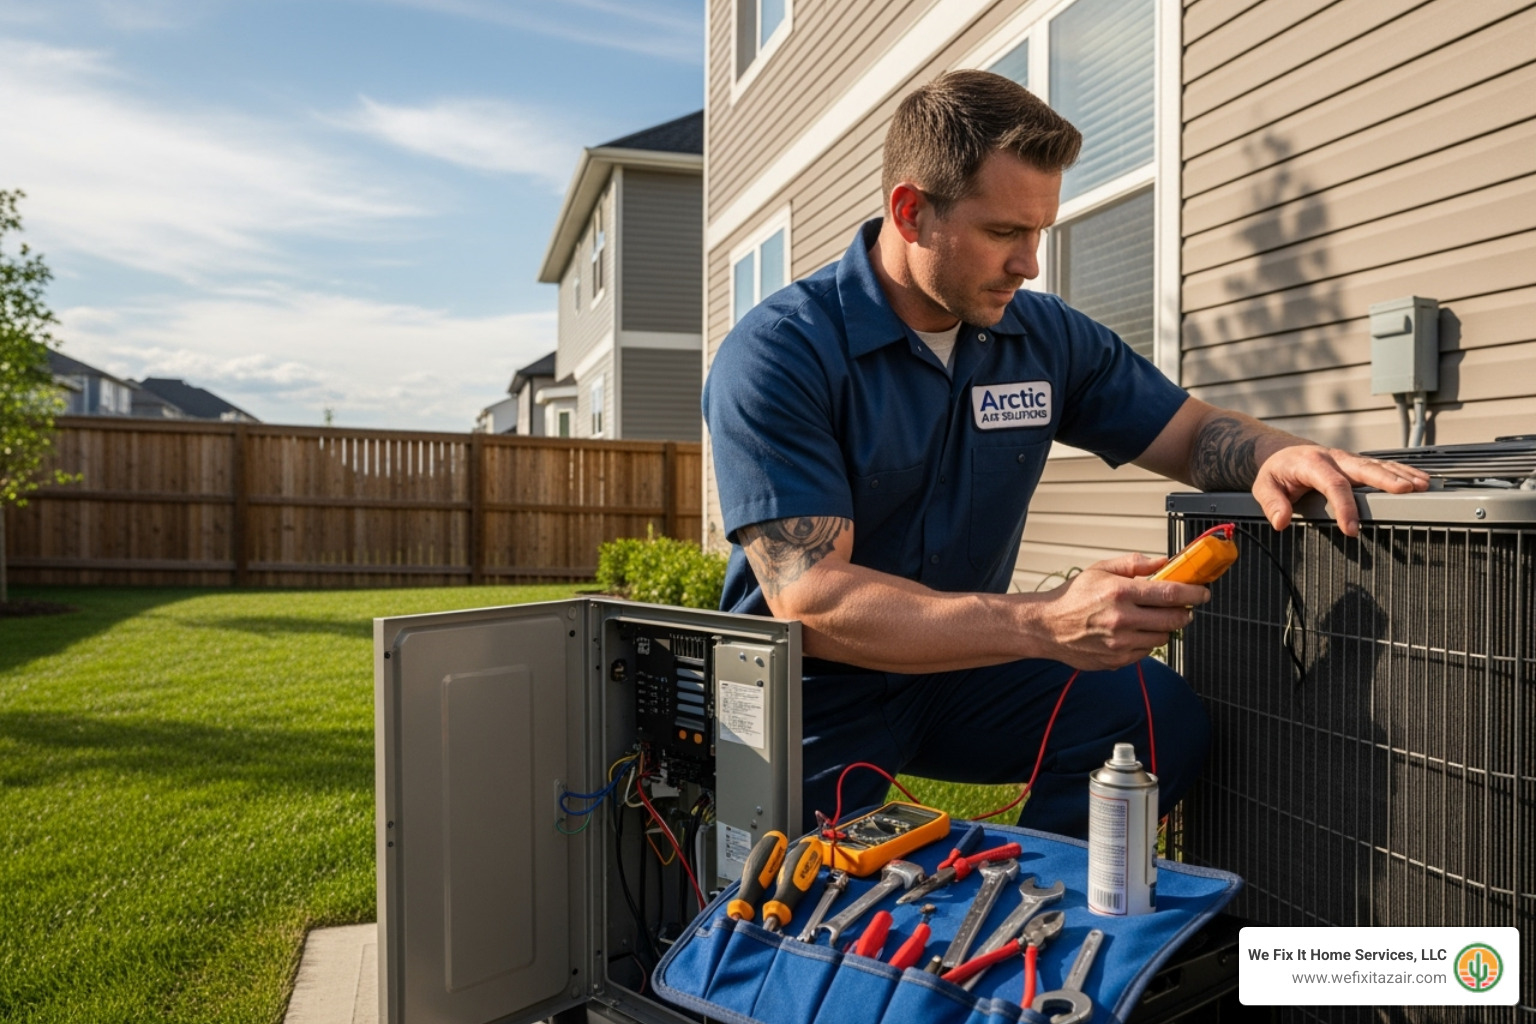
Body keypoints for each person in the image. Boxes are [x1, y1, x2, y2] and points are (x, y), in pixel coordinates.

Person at [702, 70, 1429, 839]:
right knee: (816, 917)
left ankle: (1025, 906)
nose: (1031, 264)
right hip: (812, 694)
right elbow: (814, 602)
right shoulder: (783, 352)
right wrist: (1046, 622)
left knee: (1155, 720)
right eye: (1004, 232)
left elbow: (1188, 433)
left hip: (961, 670)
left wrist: (1274, 454)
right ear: (911, 213)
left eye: (1040, 231)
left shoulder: (1043, 339)